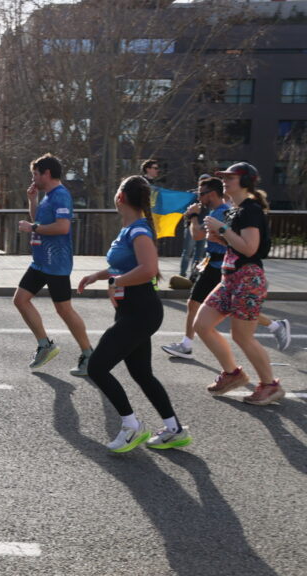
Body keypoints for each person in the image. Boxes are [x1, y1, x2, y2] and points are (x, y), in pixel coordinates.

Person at [78, 176, 190, 452]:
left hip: (141, 310)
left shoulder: (138, 231)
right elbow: (124, 266)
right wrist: (97, 275)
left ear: (121, 198)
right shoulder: (130, 229)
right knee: (141, 373)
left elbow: (148, 269)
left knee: (97, 367)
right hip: (134, 310)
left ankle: (132, 426)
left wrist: (116, 283)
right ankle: (174, 429)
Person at [161, 177, 293, 359]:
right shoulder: (218, 211)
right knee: (204, 305)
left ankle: (274, 327)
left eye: (201, 193)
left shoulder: (221, 212)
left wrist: (192, 216)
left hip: (221, 266)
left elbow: (198, 235)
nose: (199, 198)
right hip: (213, 264)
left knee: (225, 307)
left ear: (212, 194)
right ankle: (187, 345)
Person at [195, 162, 285, 405]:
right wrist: (221, 237)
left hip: (248, 279)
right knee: (202, 324)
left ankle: (270, 385)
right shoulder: (236, 209)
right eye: (224, 177)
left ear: (245, 181)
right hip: (230, 277)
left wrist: (222, 228)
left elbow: (250, 248)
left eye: (230, 177)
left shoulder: (250, 210)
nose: (225, 180)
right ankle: (233, 374)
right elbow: (238, 245)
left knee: (242, 337)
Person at [14, 153, 93, 376]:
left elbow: (62, 227)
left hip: (56, 263)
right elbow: (39, 221)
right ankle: (45, 345)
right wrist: (32, 201)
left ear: (46, 174)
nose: (33, 179)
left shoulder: (60, 196)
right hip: (40, 262)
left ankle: (89, 355)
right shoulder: (47, 196)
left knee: (64, 310)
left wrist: (32, 228)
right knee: (20, 300)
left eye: (35, 174)